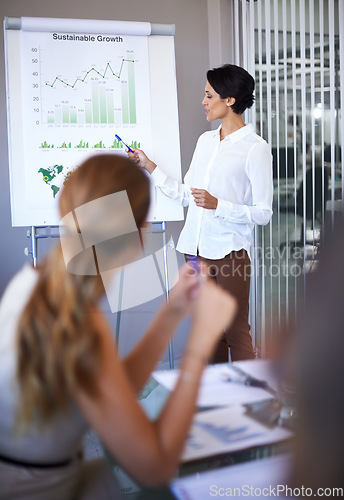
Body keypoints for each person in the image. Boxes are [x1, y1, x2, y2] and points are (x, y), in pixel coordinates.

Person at [0, 154, 237, 499]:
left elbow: (113, 387)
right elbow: (154, 467)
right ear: (138, 235)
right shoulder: (80, 323)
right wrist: (201, 342)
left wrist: (172, 312)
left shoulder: (34, 285)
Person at [128, 64, 273, 363]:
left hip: (229, 252)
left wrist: (219, 204)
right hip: (194, 250)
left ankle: (253, 402)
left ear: (230, 99)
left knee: (236, 331)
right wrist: (149, 165)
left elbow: (263, 213)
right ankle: (216, 400)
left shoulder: (255, 148)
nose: (203, 101)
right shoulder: (205, 142)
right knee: (209, 330)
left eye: (209, 95)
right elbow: (187, 195)